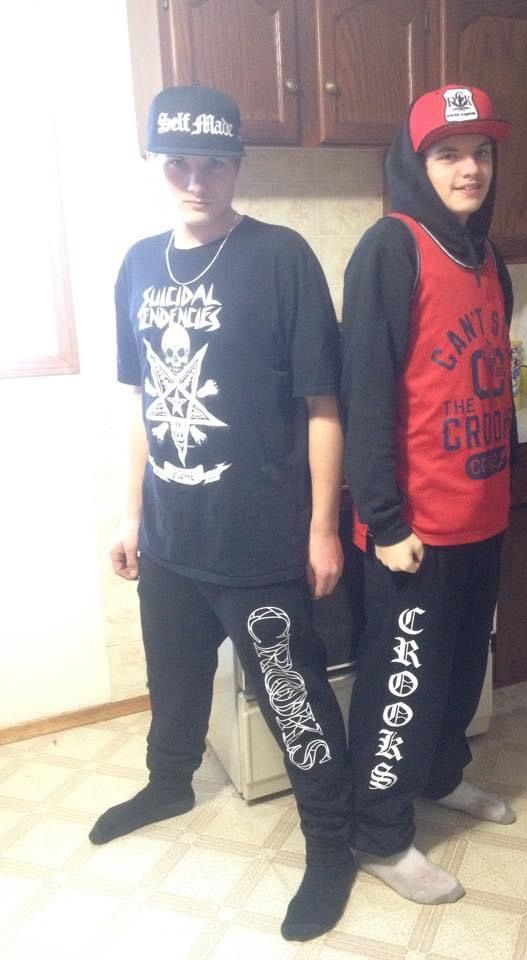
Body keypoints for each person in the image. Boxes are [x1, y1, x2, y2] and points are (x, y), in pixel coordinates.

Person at [89, 84, 355, 941]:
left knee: (293, 697)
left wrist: (321, 528)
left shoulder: (281, 258)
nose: (196, 180)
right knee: (174, 683)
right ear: (158, 167)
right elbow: (140, 401)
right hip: (171, 537)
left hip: (258, 541)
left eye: (213, 163)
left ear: (239, 165)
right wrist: (130, 513)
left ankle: (330, 841)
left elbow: (323, 403)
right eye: (179, 163)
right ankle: (170, 780)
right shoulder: (136, 263)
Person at [340, 85, 518, 905]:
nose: (469, 167)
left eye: (481, 152)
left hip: (482, 513)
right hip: (414, 527)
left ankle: (442, 776)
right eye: (449, 153)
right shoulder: (391, 247)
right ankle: (378, 835)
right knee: (401, 681)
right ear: (418, 164)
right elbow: (366, 396)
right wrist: (384, 519)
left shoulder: (490, 258)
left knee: (455, 671)